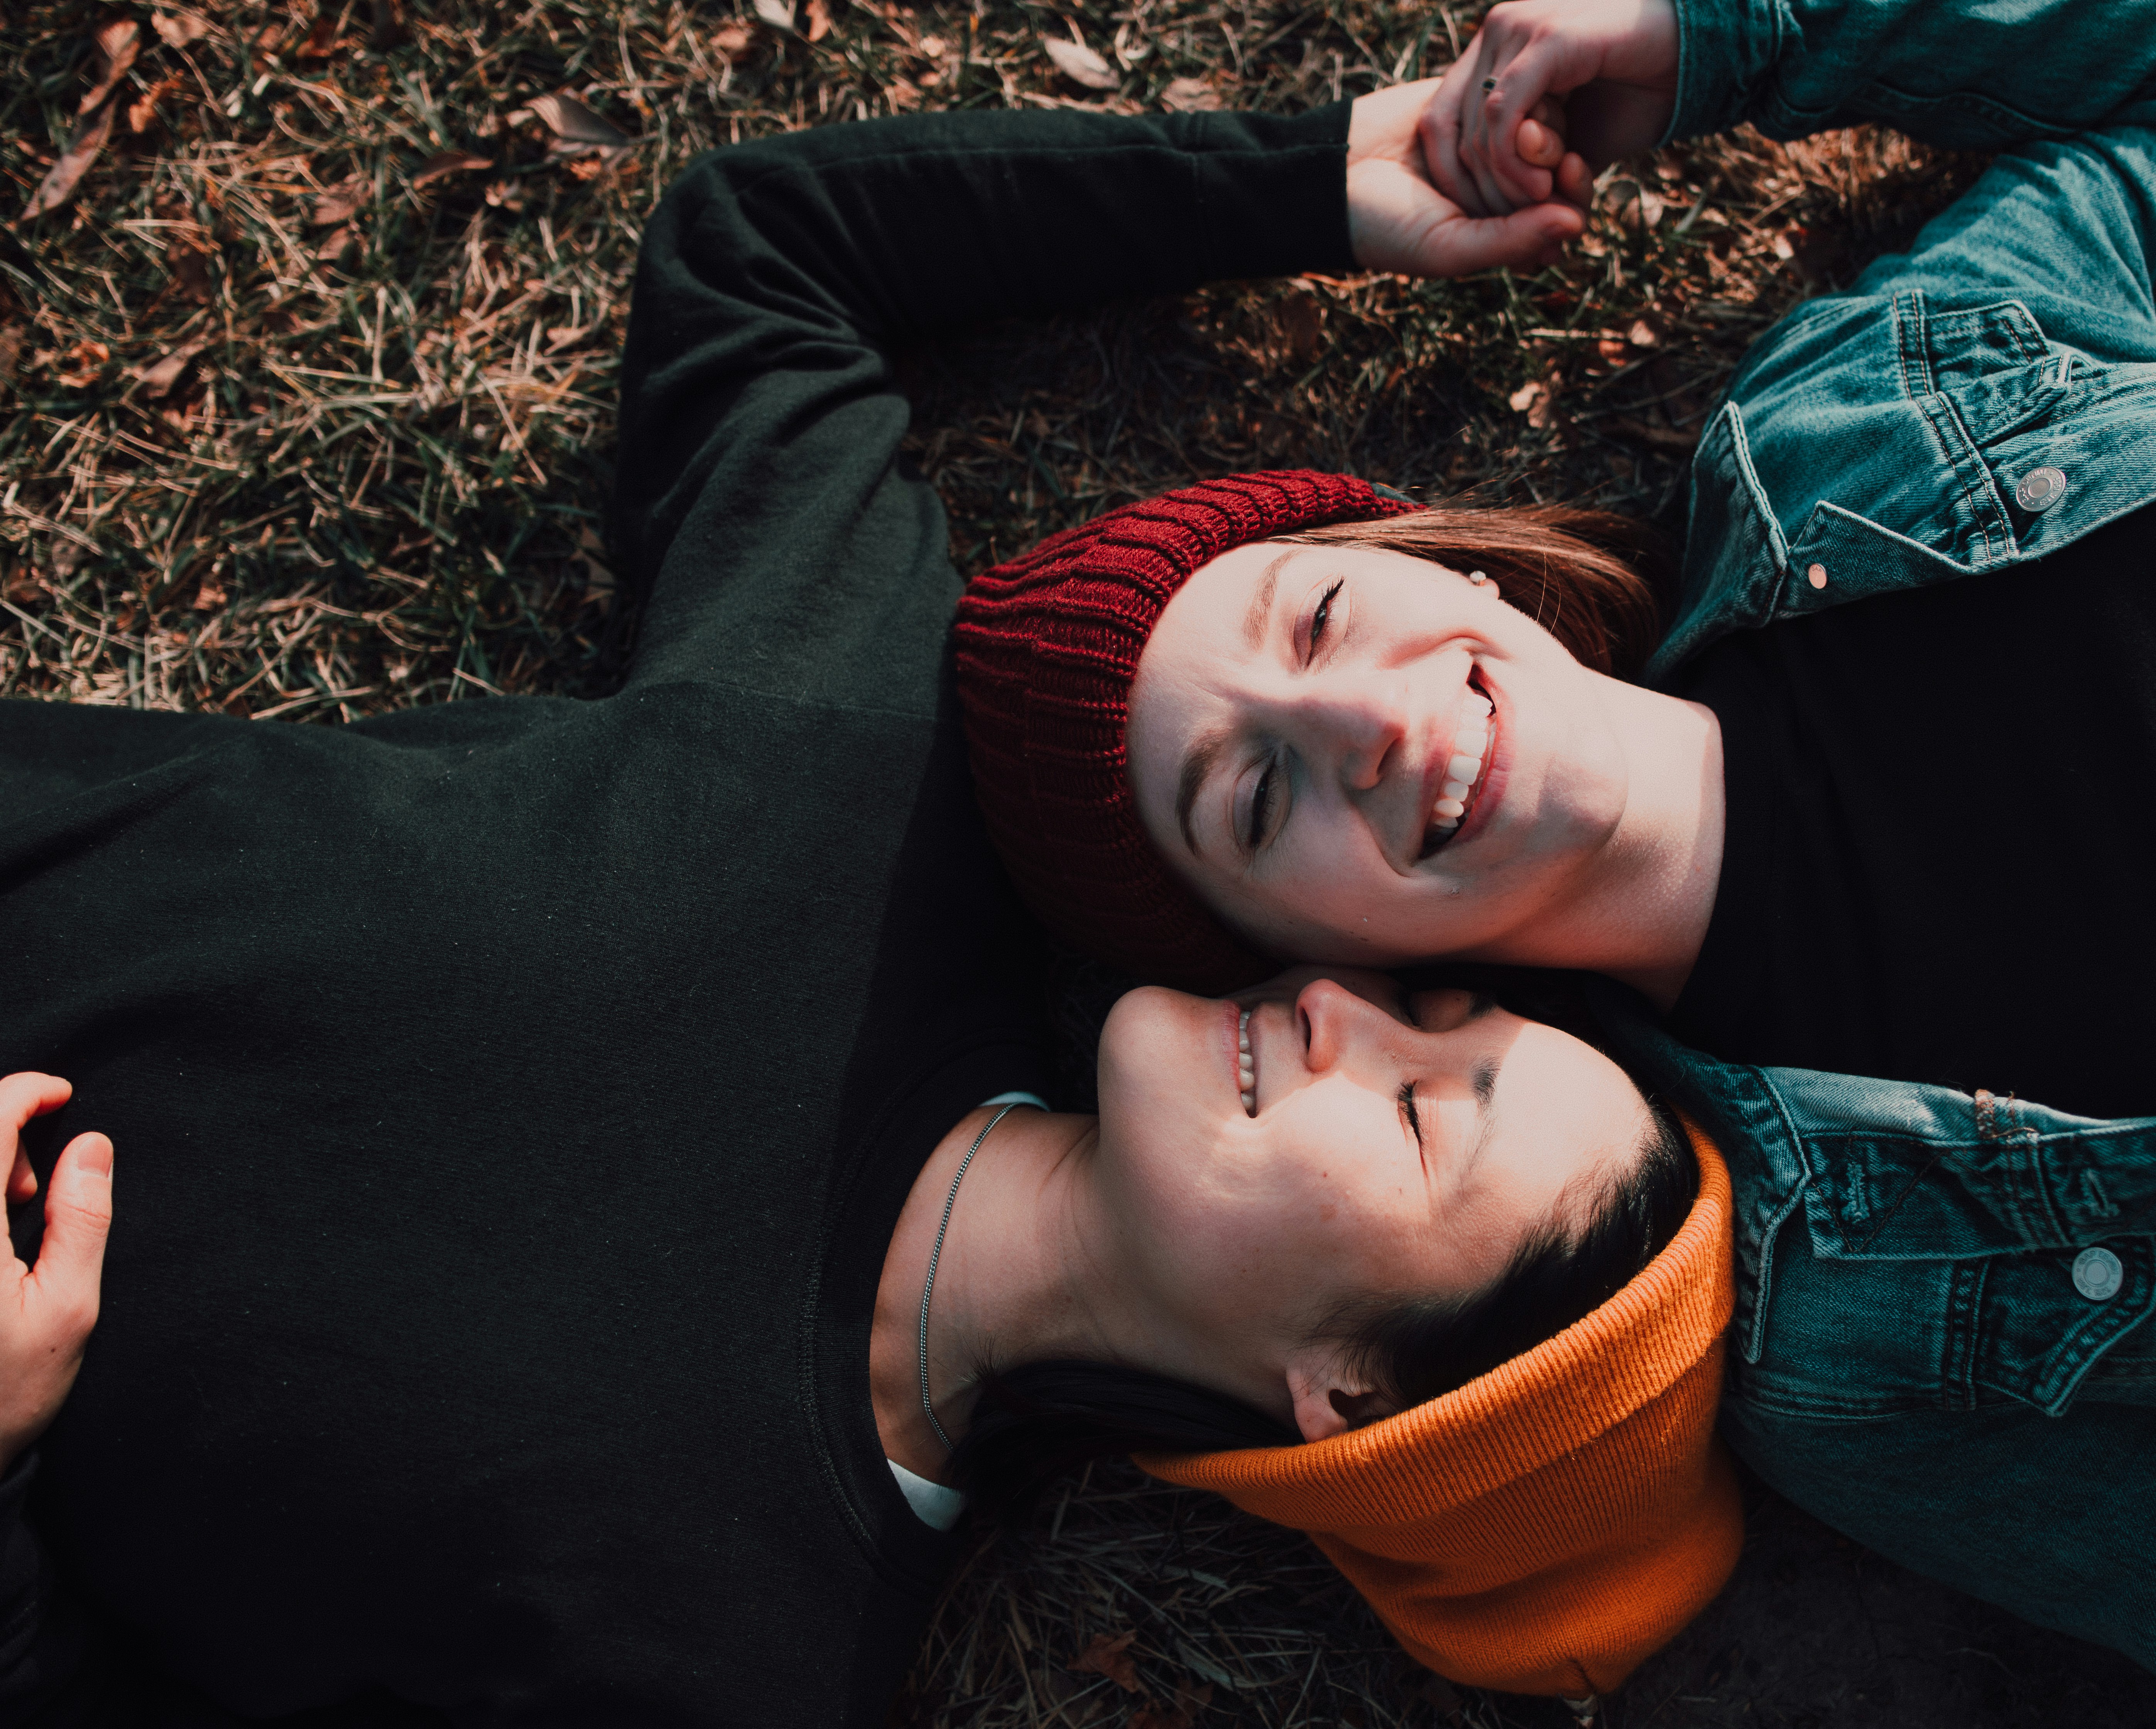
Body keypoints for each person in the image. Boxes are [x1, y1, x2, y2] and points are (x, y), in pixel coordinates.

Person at [0, 98, 1750, 1724]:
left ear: (1349, 1401)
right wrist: (1311, 179)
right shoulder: (874, 799)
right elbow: (763, 254)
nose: (1349, 1013)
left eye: (1428, 1118)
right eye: (1444, 1011)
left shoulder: (727, 1650)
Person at [947, 1, 2156, 1723]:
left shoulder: (1862, 414)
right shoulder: (1855, 1335)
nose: (1350, 721)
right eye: (1254, 800)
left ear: (1459, 569)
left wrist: (1721, 43)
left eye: (1326, 608)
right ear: (1303, 959)